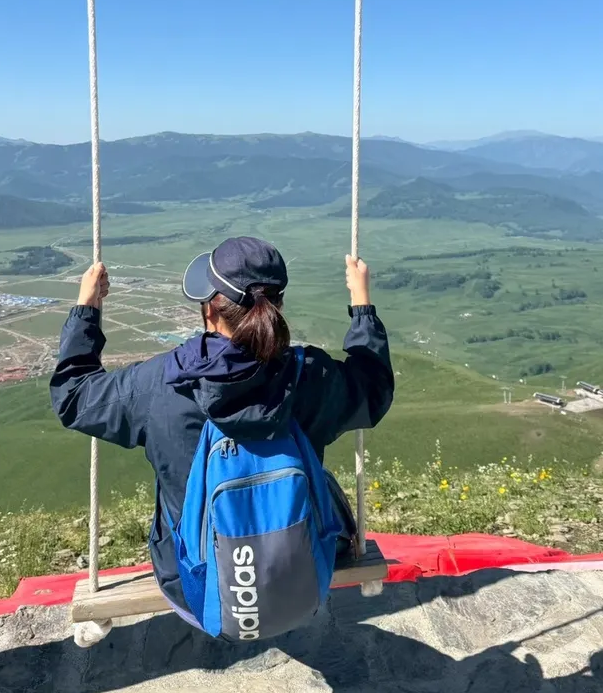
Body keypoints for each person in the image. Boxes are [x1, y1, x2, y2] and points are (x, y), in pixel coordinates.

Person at [50, 236, 394, 625]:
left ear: (210, 310)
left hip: (195, 592)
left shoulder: (160, 384)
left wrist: (86, 309)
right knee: (322, 481)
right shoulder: (311, 377)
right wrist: (362, 305)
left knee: (175, 494)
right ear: (276, 307)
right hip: (305, 581)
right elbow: (374, 390)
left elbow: (74, 397)